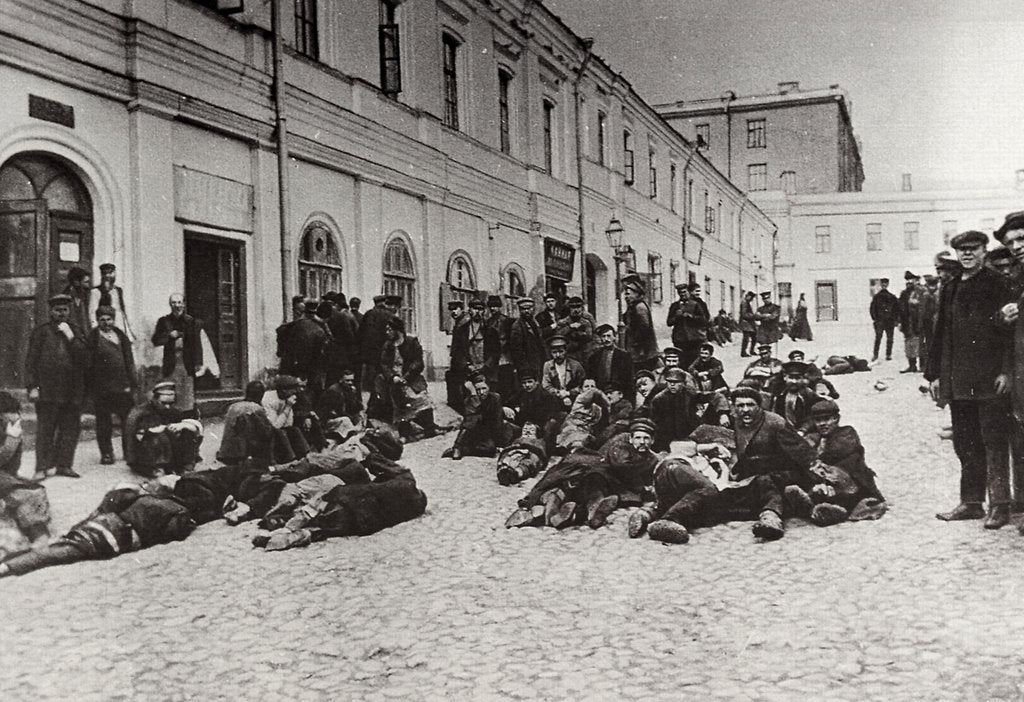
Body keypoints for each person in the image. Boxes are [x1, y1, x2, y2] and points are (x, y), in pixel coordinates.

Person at [925, 230, 1014, 529]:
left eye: (973, 249)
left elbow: (1009, 333)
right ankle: (972, 502)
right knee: (965, 443)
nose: (966, 254)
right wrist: (935, 374)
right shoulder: (949, 287)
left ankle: (1000, 505)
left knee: (994, 442)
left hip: (990, 378)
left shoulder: (998, 284)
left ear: (984, 251)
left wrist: (1005, 370)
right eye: (961, 250)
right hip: (958, 379)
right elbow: (940, 333)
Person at [0, 483, 194, 578]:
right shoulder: (178, 510)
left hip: (103, 522)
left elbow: (112, 502)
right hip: (114, 538)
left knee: (60, 546)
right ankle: (7, 567)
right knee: (58, 553)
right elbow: (173, 532)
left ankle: (11, 559)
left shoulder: (144, 497)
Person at [784, 399, 886, 526]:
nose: (822, 424)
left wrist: (815, 466)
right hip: (823, 482)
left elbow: (832, 455)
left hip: (852, 481)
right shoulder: (816, 437)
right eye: (818, 420)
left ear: (836, 419)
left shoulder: (847, 433)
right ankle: (814, 506)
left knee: (833, 474)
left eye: (827, 419)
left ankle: (830, 510)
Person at [26, 294, 88, 479]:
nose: (61, 313)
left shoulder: (76, 331)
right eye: (57, 310)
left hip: (72, 390)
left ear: (69, 311)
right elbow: (31, 362)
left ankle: (64, 465)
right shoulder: (41, 332)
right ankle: (41, 468)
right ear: (50, 312)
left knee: (70, 429)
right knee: (46, 429)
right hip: (48, 389)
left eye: (65, 310)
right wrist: (32, 386)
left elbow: (85, 359)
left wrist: (71, 338)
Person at [368, 316, 440, 440]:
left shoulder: (411, 342)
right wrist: (393, 376)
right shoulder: (388, 345)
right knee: (400, 405)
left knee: (422, 399)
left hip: (411, 378)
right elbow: (384, 364)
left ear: (397, 330)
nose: (387, 332)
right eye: (386, 330)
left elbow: (418, 362)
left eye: (389, 330)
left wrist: (406, 377)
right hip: (394, 380)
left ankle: (429, 427)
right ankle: (404, 433)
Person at [86, 305, 138, 465]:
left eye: (109, 319)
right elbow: (88, 364)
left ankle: (129, 452)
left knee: (128, 421)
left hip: (122, 386)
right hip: (102, 388)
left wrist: (132, 382)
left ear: (114, 320)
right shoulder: (93, 337)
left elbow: (129, 360)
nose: (106, 323)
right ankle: (107, 453)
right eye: (102, 320)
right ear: (97, 321)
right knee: (103, 422)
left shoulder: (120, 335)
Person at [125, 382, 203, 478]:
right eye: (164, 403)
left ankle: (185, 465)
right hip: (145, 455)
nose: (168, 407)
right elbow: (138, 436)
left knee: (188, 431)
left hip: (166, 450)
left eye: (171, 403)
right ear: (154, 399)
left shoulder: (173, 411)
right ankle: (158, 468)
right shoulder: (141, 413)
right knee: (158, 436)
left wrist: (182, 425)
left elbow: (194, 426)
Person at [152, 293, 210, 414]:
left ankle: (186, 418)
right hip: (171, 361)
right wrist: (169, 336)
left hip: (187, 362)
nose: (176, 305)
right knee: (170, 391)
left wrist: (198, 362)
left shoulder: (192, 321)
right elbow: (156, 340)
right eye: (174, 302)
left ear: (183, 304)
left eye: (179, 302)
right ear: (170, 304)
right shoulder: (164, 321)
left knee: (187, 393)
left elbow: (197, 343)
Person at [649, 367, 729, 451]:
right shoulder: (658, 400)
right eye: (669, 382)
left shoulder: (689, 393)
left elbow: (716, 396)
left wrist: (723, 414)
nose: (672, 385)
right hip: (667, 440)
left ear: (684, 383)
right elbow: (654, 424)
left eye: (676, 382)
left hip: (689, 436)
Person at [444, 373, 515, 460]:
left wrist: (502, 409)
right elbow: (471, 422)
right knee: (489, 450)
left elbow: (497, 422)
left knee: (514, 432)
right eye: (478, 390)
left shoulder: (495, 398)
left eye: (484, 388)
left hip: (492, 430)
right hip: (475, 432)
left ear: (489, 387)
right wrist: (474, 396)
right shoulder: (469, 401)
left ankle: (465, 449)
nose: (481, 392)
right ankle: (458, 447)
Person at [449, 299, 499, 415]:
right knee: (469, 401)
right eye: (475, 308)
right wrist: (467, 365)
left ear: (484, 311)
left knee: (488, 401)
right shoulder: (461, 331)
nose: (478, 312)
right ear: (469, 310)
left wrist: (485, 366)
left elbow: (496, 352)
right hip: (468, 372)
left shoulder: (491, 331)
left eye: (481, 309)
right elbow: (456, 352)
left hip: (486, 371)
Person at [216, 380, 275, 467]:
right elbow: (267, 432)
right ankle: (270, 464)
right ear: (261, 395)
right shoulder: (256, 408)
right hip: (242, 454)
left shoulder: (233, 406)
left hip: (226, 451)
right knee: (272, 434)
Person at [621, 273, 659, 372]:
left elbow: (644, 329)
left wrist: (638, 346)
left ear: (636, 293)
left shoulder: (639, 307)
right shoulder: (633, 306)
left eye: (628, 294)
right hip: (638, 351)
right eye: (625, 294)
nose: (626, 297)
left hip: (641, 352)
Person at [88, 262, 134, 342]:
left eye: (110, 273)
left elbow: (122, 310)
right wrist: (96, 331)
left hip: (119, 324)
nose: (108, 276)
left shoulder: (118, 290)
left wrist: (129, 329)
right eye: (105, 274)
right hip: (105, 326)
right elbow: (92, 312)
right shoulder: (95, 292)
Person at [666, 283, 708, 369]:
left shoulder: (695, 304)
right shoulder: (674, 306)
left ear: (688, 292)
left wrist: (689, 316)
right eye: (680, 293)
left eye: (684, 292)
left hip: (694, 339)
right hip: (680, 340)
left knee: (694, 363)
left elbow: (703, 320)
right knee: (681, 363)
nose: (683, 294)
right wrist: (676, 317)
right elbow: (669, 322)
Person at [769, 361, 819, 432]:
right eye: (791, 378)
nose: (794, 381)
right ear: (785, 377)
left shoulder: (809, 395)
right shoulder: (779, 396)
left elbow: (814, 416)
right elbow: (773, 415)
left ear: (802, 379)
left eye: (798, 378)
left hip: (804, 432)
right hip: (783, 432)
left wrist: (803, 430)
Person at [357, 294, 393, 392]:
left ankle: (373, 391)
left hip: (370, 351)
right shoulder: (389, 314)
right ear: (384, 303)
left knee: (371, 374)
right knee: (383, 372)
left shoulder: (368, 314)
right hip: (384, 349)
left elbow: (361, 332)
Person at [585, 324, 634, 394]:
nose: (606, 339)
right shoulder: (594, 357)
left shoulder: (624, 356)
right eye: (603, 336)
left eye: (609, 336)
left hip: (617, 394)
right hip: (599, 393)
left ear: (614, 337)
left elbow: (629, 381)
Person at [508, 297, 546, 383]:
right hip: (527, 366)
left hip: (538, 361)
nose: (526, 311)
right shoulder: (517, 326)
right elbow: (517, 351)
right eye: (523, 309)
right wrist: (525, 369)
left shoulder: (535, 323)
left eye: (529, 308)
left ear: (533, 309)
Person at [541, 335, 585, 410]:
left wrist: (569, 393)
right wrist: (558, 393)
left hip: (575, 400)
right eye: (554, 352)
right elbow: (546, 385)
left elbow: (583, 385)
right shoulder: (547, 365)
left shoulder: (575, 365)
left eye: (561, 351)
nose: (558, 355)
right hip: (555, 401)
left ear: (566, 351)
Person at [486, 294, 516, 401]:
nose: (493, 308)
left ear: (500, 307)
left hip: (505, 357)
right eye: (491, 306)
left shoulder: (507, 321)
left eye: (495, 306)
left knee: (507, 384)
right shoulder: (488, 322)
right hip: (494, 357)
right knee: (494, 384)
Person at [897, 271, 925, 373]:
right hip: (907, 323)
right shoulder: (904, 293)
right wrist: (899, 321)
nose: (909, 282)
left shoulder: (922, 291)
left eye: (912, 279)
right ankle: (912, 365)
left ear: (917, 280)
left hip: (919, 322)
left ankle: (923, 366)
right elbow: (900, 308)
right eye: (907, 280)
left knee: (921, 343)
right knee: (909, 344)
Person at [554, 296, 595, 364]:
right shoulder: (563, 322)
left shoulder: (586, 322)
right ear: (569, 308)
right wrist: (569, 327)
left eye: (578, 307)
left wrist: (581, 333)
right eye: (573, 307)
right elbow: (558, 335)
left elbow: (591, 335)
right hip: (570, 354)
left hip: (585, 354)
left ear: (582, 308)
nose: (576, 310)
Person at [869, 278, 899, 362]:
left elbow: (896, 309)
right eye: (883, 284)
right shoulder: (877, 297)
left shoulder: (892, 297)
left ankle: (888, 354)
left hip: (889, 321)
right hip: (880, 321)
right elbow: (872, 308)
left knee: (890, 339)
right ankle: (875, 355)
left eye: (886, 284)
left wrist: (895, 320)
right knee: (878, 338)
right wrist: (875, 318)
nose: (884, 285)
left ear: (888, 284)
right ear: (881, 285)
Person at [62, 266, 92, 332]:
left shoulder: (86, 295)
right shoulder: (65, 297)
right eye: (86, 282)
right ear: (76, 282)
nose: (88, 286)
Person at [738, 291, 757, 357]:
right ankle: (743, 352)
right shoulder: (744, 303)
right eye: (751, 298)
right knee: (746, 339)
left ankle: (751, 351)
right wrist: (753, 316)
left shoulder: (747, 302)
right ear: (748, 296)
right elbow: (744, 314)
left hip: (749, 324)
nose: (752, 299)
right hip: (746, 323)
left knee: (754, 337)